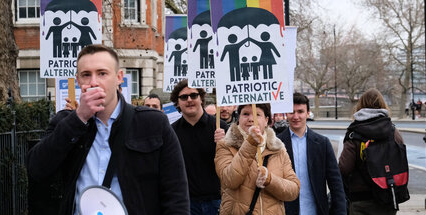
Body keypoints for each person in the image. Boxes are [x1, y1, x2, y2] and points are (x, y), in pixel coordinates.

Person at [26, 44, 189, 214]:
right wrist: (79, 118)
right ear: (78, 80)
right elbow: (37, 168)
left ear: (119, 77)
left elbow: (176, 193)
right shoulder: (65, 123)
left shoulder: (152, 123)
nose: (94, 82)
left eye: (102, 73)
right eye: (86, 75)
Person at [214, 103, 300, 214]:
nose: (251, 119)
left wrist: (269, 180)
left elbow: (293, 190)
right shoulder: (225, 145)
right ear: (239, 118)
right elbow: (230, 180)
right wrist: (251, 143)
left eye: (257, 114)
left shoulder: (278, 149)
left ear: (266, 120)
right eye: (245, 114)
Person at [277, 92, 346, 215]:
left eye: (300, 111)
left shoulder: (322, 143)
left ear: (308, 113)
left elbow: (335, 183)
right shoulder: (277, 143)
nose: (296, 116)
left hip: (316, 210)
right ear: (286, 114)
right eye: (292, 112)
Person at [339, 88, 404, 215]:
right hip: (387, 196)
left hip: (360, 199)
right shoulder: (393, 131)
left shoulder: (354, 133)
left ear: (360, 105)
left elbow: (344, 167)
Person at [170, 79, 228, 215]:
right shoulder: (171, 132)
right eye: (184, 97)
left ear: (201, 98)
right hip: (187, 203)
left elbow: (234, 163)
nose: (189, 100)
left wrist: (226, 144)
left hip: (218, 201)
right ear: (177, 102)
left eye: (194, 95)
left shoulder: (220, 127)